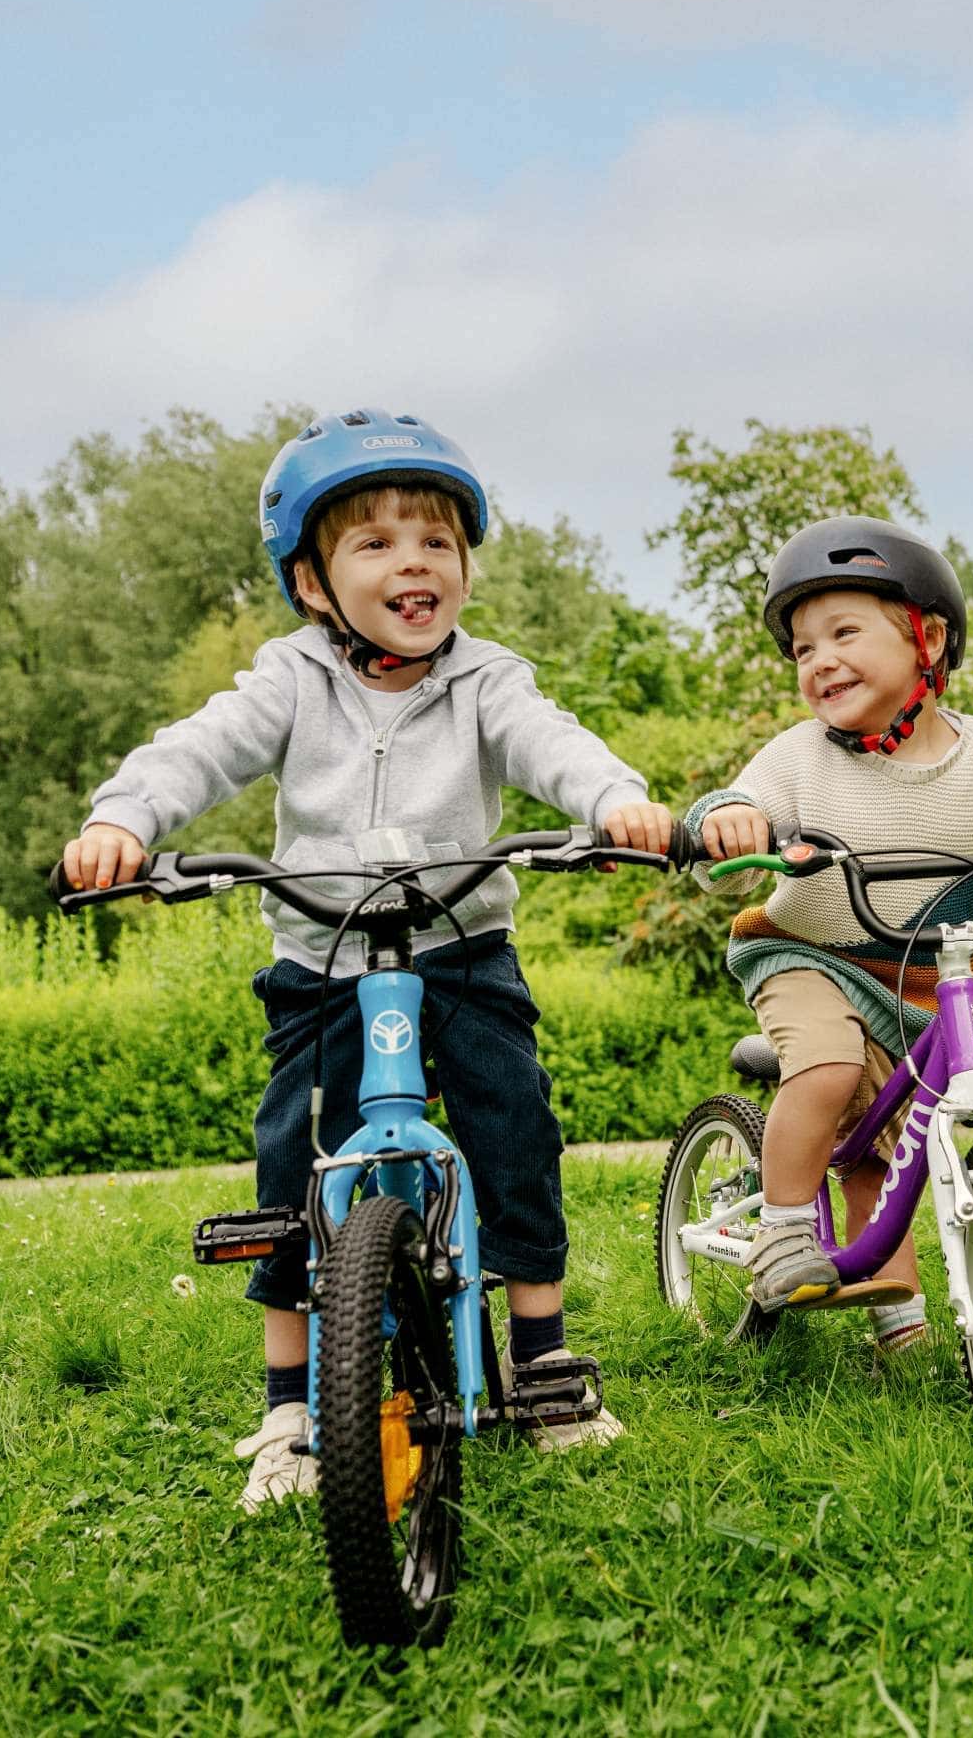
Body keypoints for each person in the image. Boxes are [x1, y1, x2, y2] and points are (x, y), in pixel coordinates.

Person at [63, 408, 672, 1508]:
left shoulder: (487, 679)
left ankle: (544, 1368)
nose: (414, 563)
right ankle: (289, 1406)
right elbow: (198, 750)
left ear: (466, 566)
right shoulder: (290, 679)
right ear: (312, 582)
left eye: (436, 541)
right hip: (323, 959)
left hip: (463, 949)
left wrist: (617, 799)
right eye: (376, 542)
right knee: (294, 1164)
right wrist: (127, 820)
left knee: (515, 1132)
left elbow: (554, 745)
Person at [685, 517, 973, 1351]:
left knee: (897, 1139)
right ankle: (788, 1226)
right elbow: (741, 800)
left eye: (843, 633)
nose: (819, 659)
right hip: (806, 952)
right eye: (801, 648)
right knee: (830, 1069)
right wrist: (732, 821)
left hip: (919, 980)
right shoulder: (801, 757)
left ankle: (900, 1324)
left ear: (927, 639)